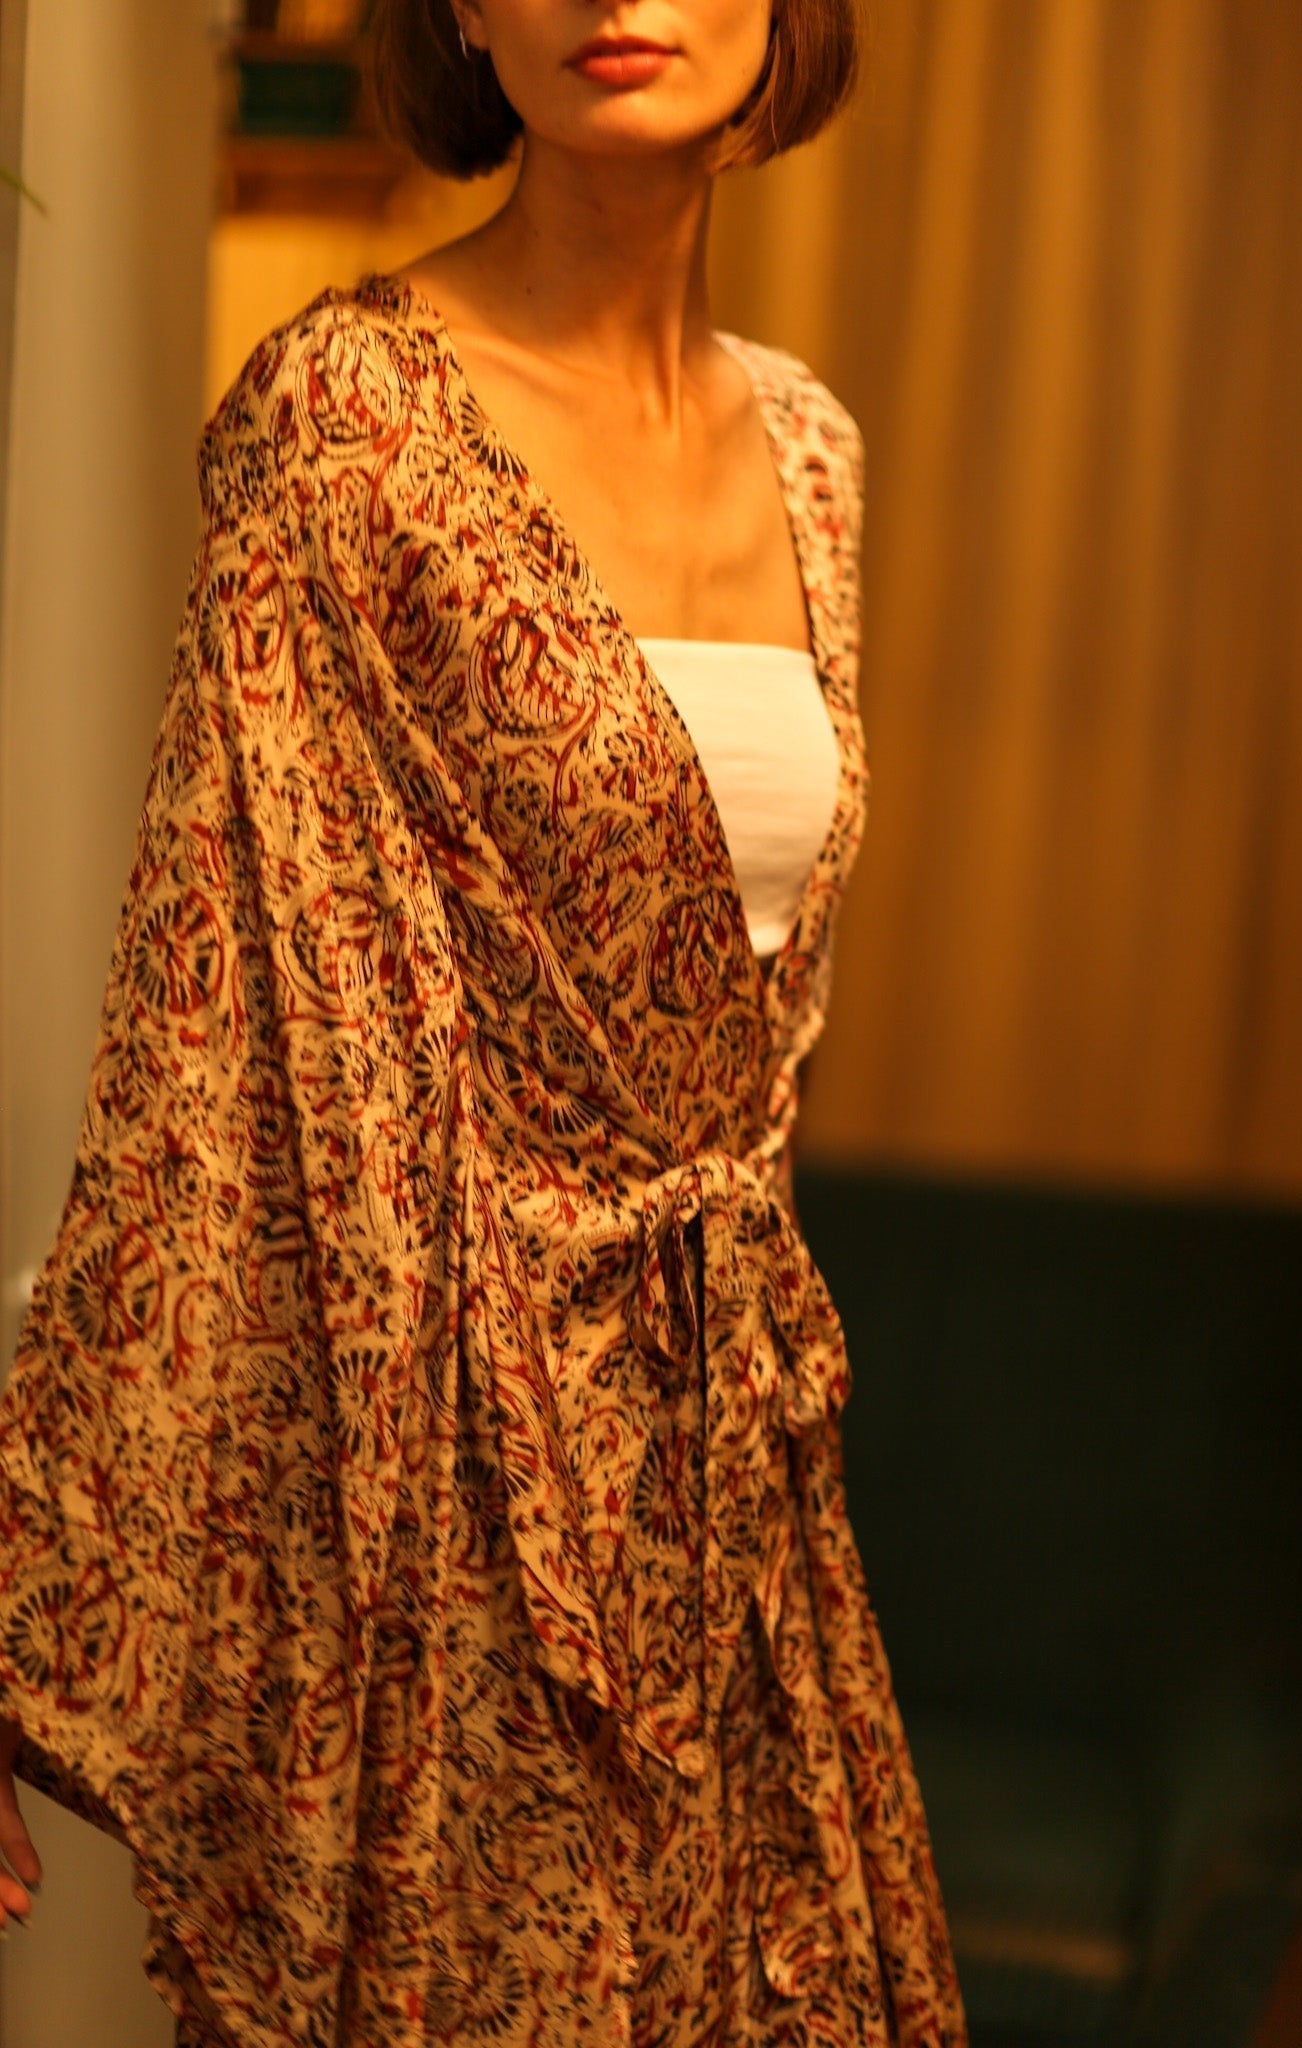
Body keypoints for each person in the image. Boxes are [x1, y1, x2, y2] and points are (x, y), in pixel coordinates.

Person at [0, 1, 968, 2041]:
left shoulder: (812, 450)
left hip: (738, 1494)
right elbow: (210, 1031)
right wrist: (31, 1601)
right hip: (455, 1494)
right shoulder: (343, 424)